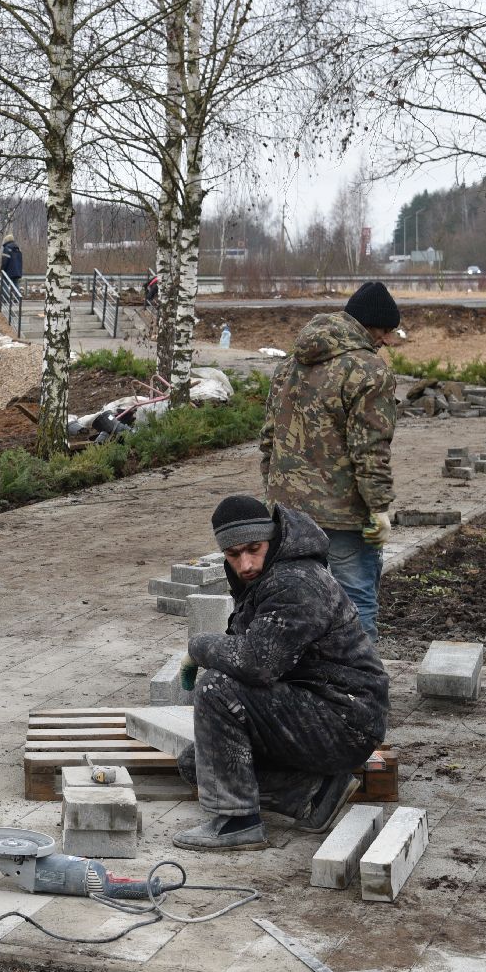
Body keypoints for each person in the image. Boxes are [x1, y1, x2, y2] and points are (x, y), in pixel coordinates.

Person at [172, 495, 389, 852]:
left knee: (216, 687)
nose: (245, 564)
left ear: (270, 539)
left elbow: (257, 663)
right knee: (197, 764)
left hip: (345, 721)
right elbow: (246, 650)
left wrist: (199, 646)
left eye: (253, 549)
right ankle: (315, 793)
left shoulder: (295, 581)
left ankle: (237, 822)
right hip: (312, 711)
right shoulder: (264, 577)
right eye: (233, 554)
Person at [259, 280, 400, 640]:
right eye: (385, 330)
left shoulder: (288, 366)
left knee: (296, 602)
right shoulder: (369, 370)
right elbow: (370, 449)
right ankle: (358, 675)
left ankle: (302, 671)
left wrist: (275, 496)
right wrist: (379, 508)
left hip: (288, 514)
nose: (387, 340)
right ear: (370, 324)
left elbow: (269, 440)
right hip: (343, 517)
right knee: (355, 604)